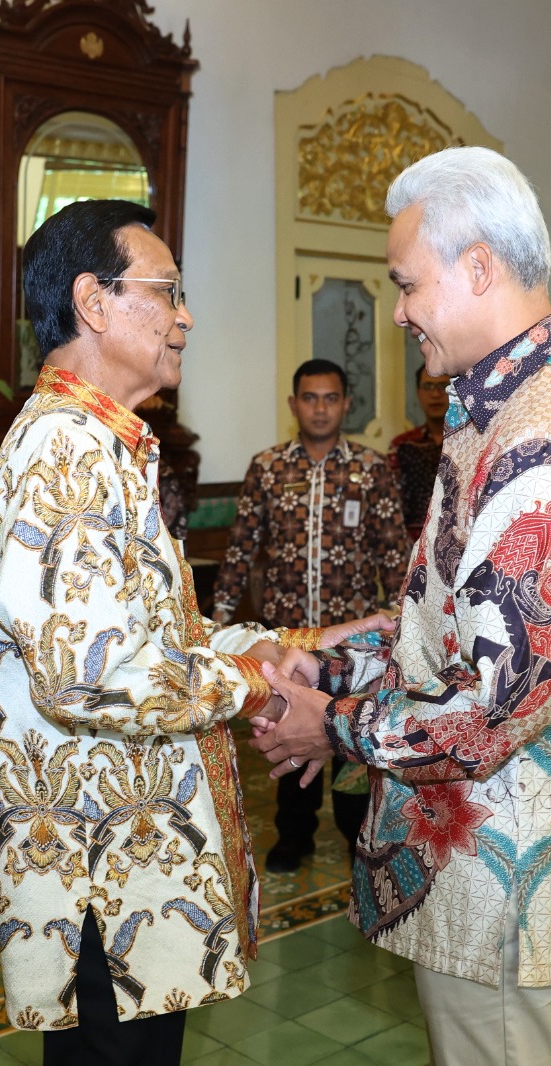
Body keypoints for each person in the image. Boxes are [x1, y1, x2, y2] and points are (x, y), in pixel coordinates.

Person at [249, 147, 551, 1066]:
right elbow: (453, 624)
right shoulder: (492, 415)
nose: (399, 312)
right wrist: (332, 666)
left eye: (406, 284)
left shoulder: (545, 443)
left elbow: (489, 711)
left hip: (496, 873)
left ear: (479, 268)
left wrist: (329, 724)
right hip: (464, 860)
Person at [0, 199, 385, 1065]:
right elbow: (88, 676)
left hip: (130, 865)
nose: (185, 317)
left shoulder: (103, 444)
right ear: (94, 302)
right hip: (98, 874)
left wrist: (284, 643)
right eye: (167, 291)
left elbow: (156, 636)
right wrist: (258, 689)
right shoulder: (64, 452)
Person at [212, 360, 408, 872]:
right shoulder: (268, 468)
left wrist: (404, 619)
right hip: (286, 641)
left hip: (351, 648)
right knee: (287, 731)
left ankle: (355, 835)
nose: (320, 408)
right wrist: (219, 620)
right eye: (310, 397)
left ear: (346, 404)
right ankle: (292, 836)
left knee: (349, 743)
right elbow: (240, 551)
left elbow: (393, 551)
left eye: (330, 398)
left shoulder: (371, 469)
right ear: (293, 404)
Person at [389, 365, 451, 543]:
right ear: (418, 393)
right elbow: (391, 503)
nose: (435, 394)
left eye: (442, 386)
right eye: (428, 386)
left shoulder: (466, 443)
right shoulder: (403, 445)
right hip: (411, 545)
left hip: (457, 542)